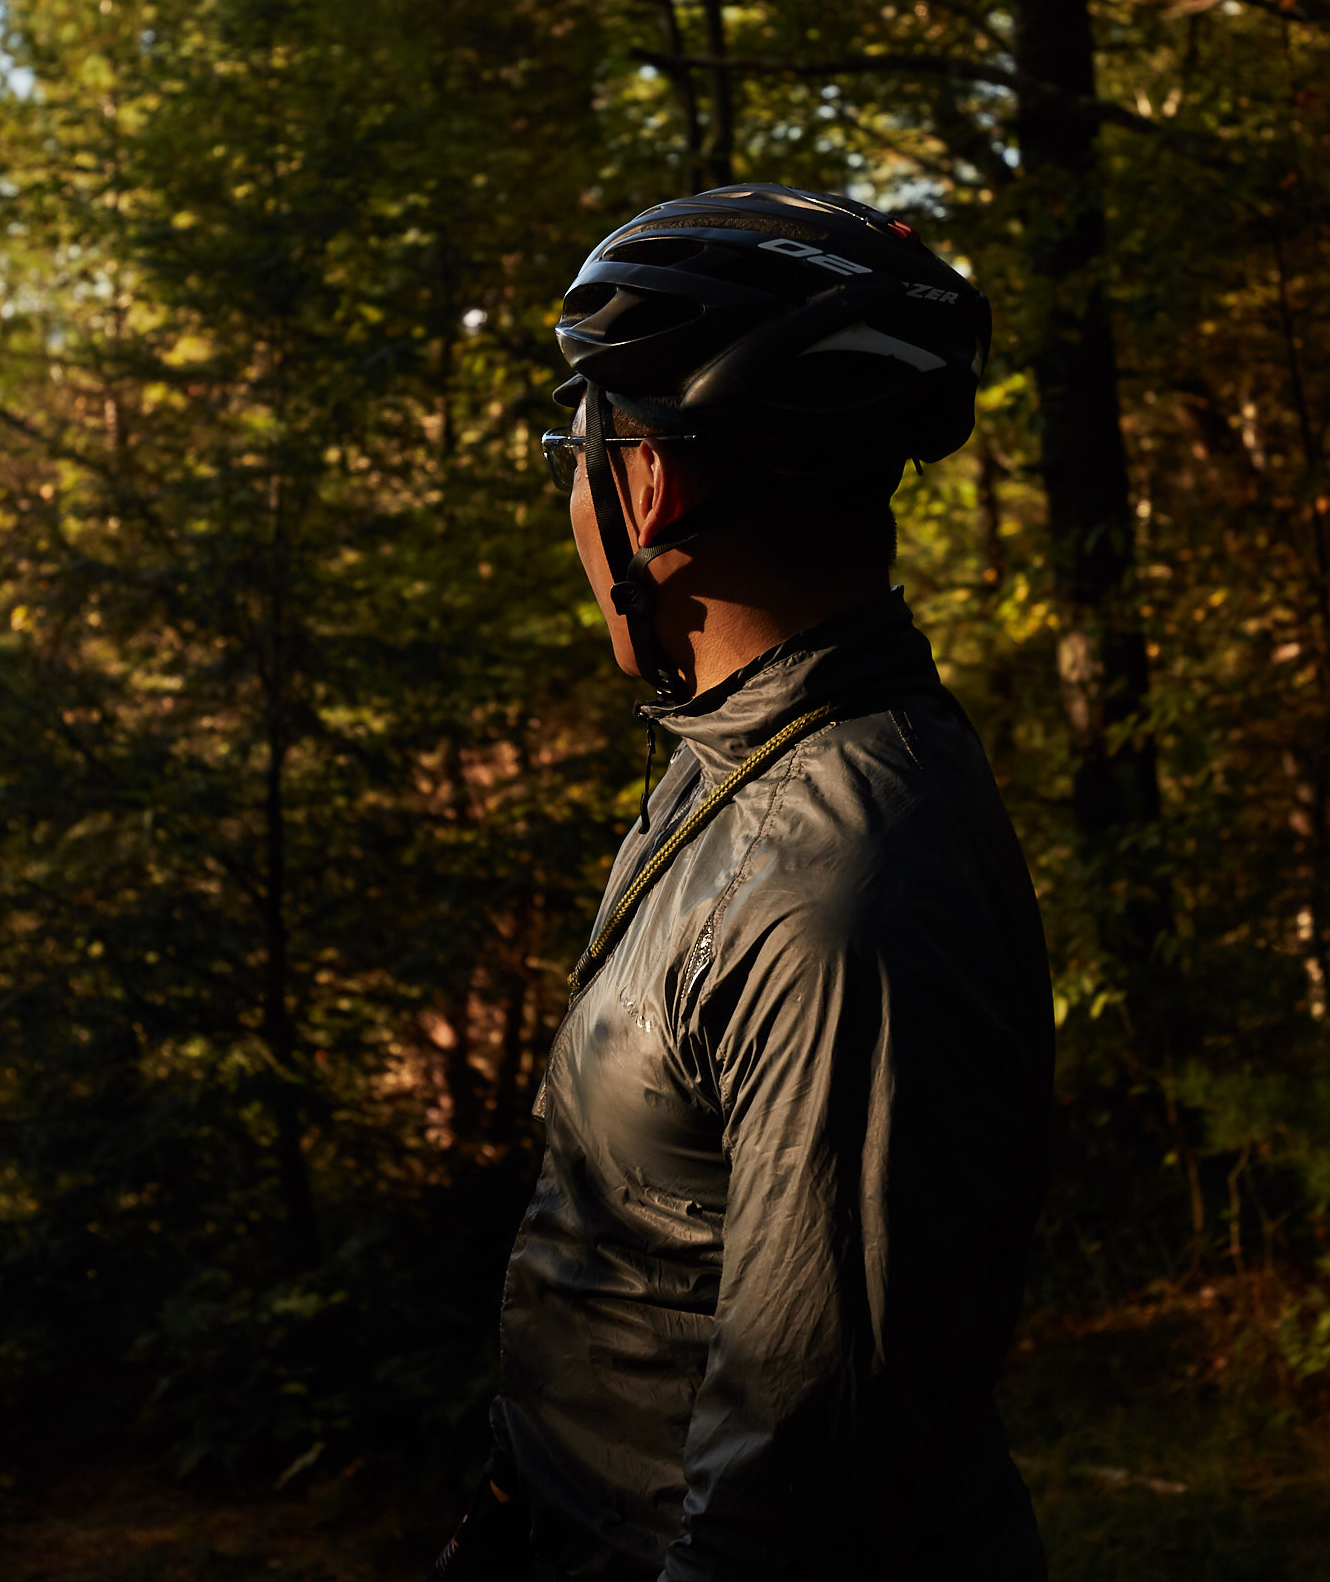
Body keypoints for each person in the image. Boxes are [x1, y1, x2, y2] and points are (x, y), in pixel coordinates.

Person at [435, 185, 1055, 1582]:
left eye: (570, 449)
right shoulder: (744, 761)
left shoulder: (836, 879)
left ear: (649, 483)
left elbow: (812, 1468)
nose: (568, 498)